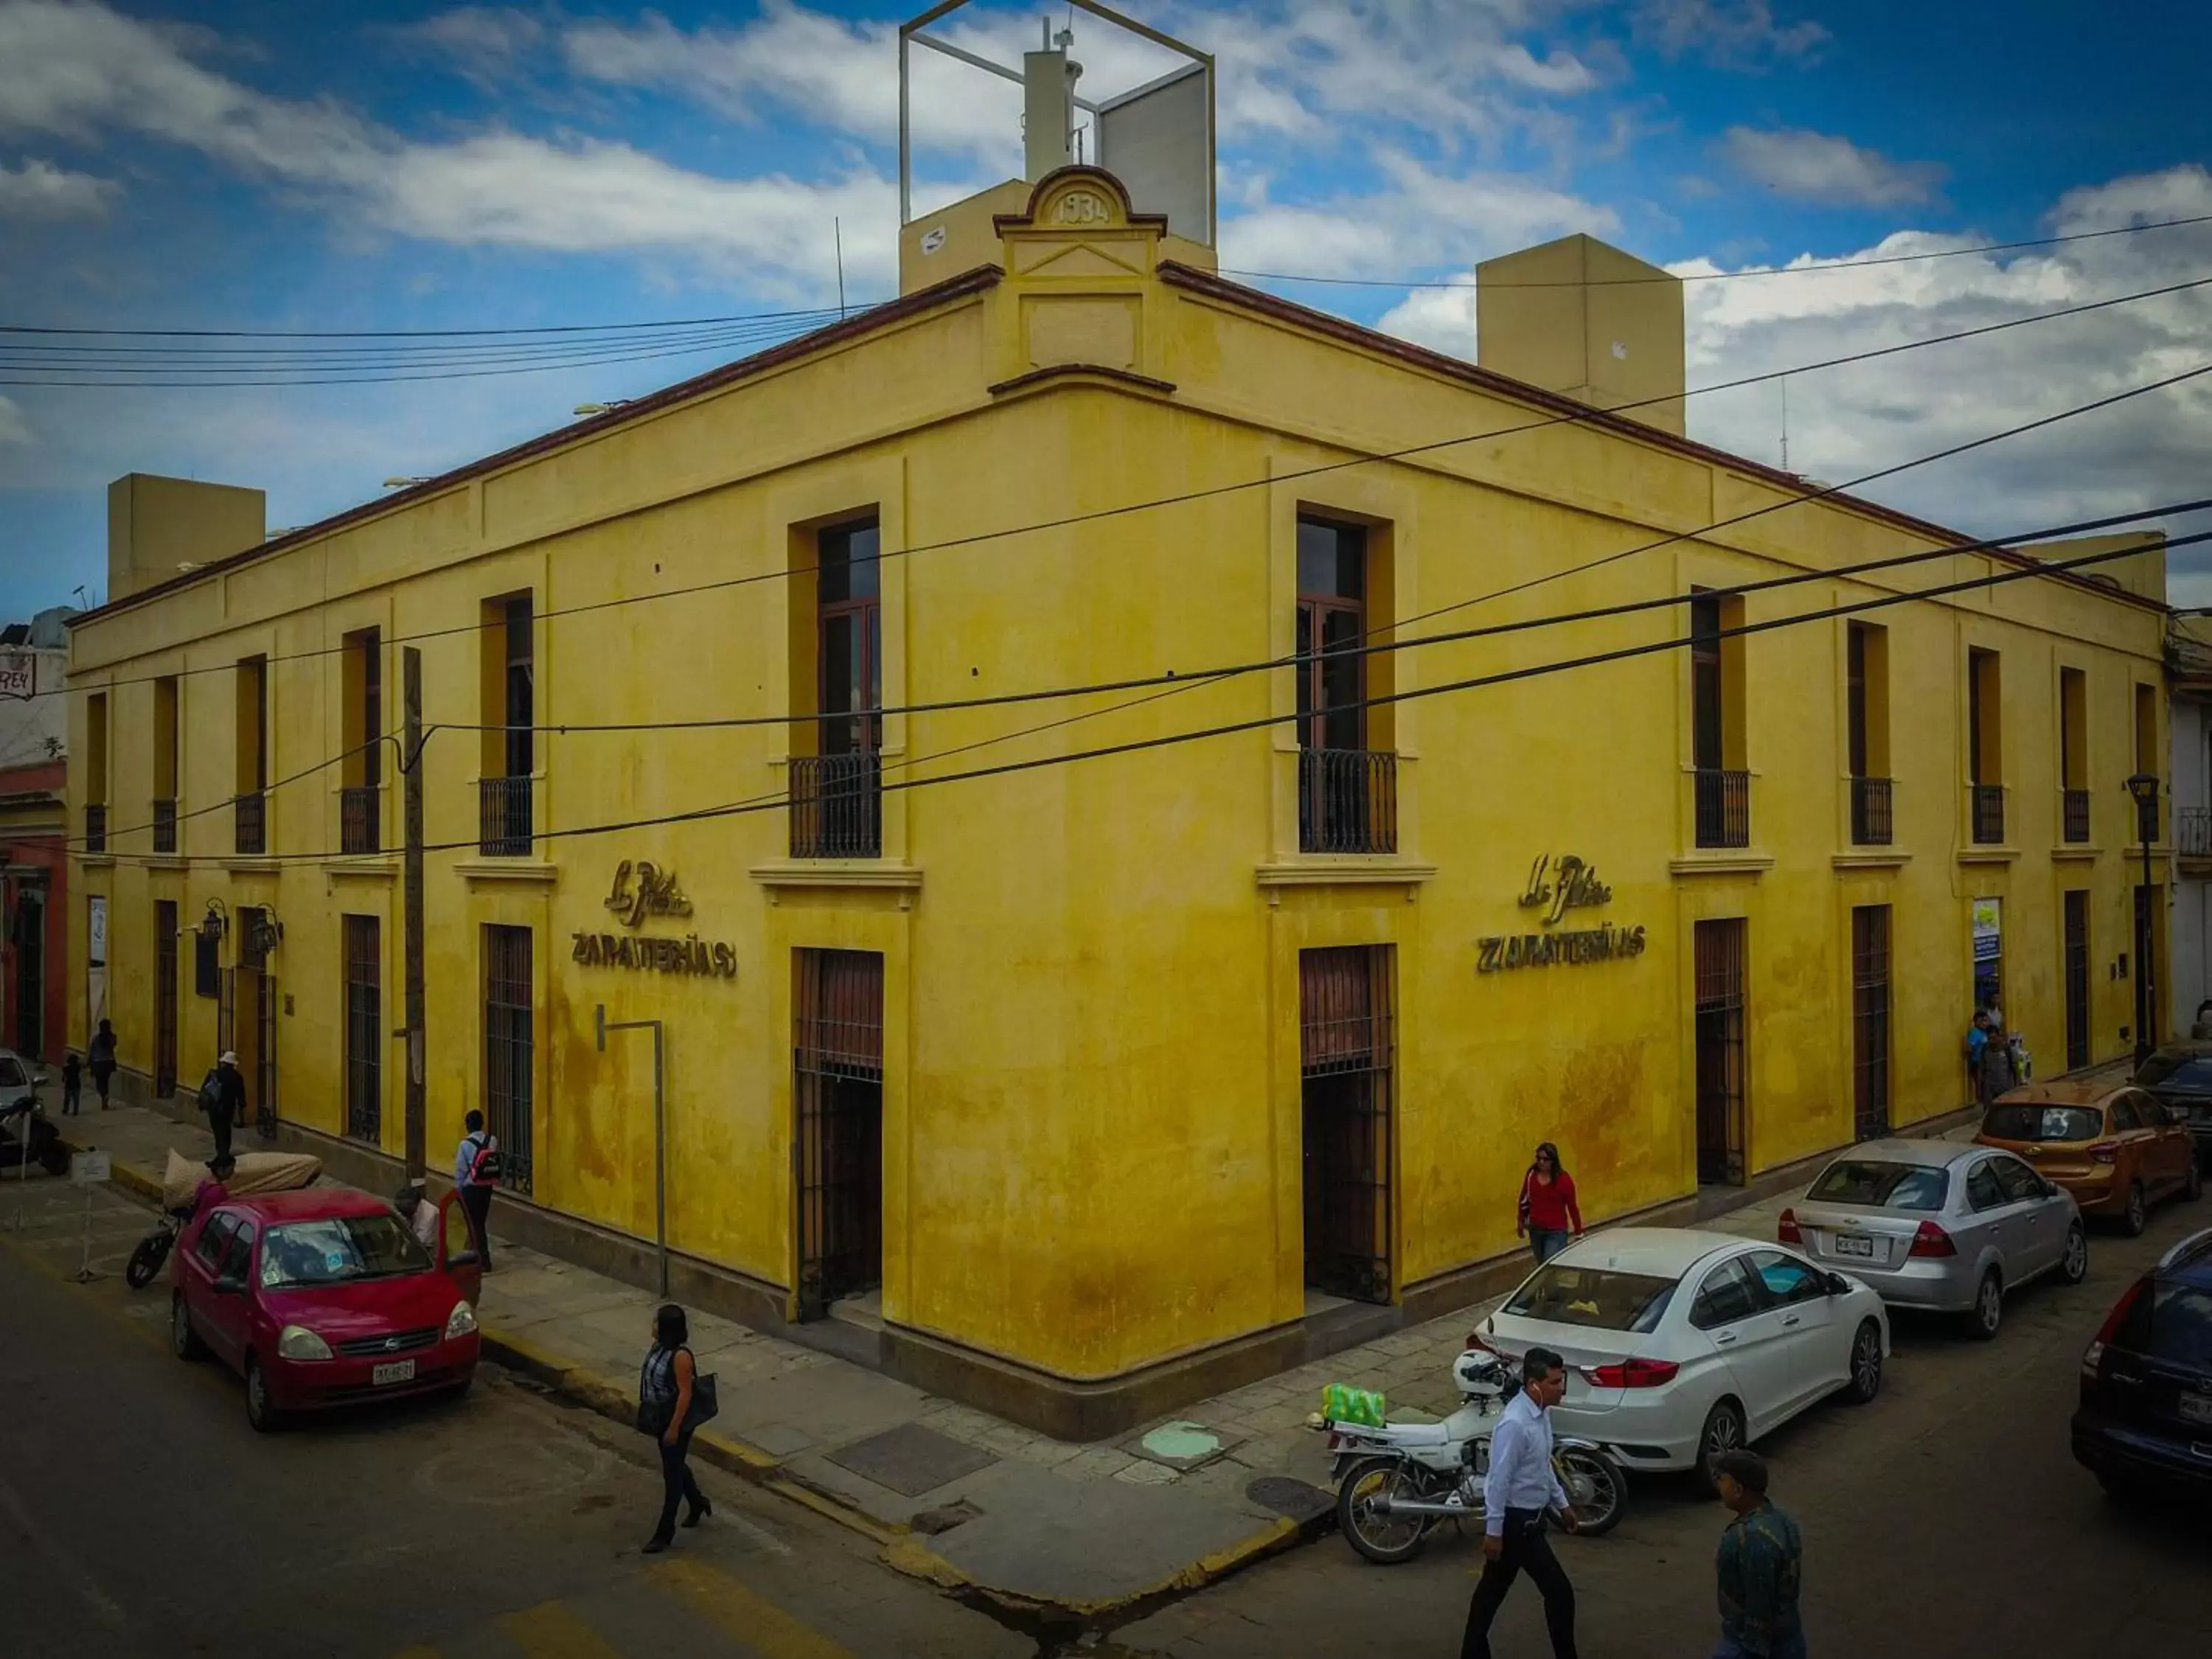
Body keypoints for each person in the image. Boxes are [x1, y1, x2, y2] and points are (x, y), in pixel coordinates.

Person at [1463, 1346, 1580, 1659]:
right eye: (1555, 1382)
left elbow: (1542, 1465)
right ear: (1534, 1385)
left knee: (1490, 1594)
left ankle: (1472, 1652)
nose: (1562, 1388)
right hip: (1517, 1525)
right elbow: (1499, 1480)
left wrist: (1563, 1505)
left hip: (1531, 1519)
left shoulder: (1541, 1414)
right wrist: (1494, 1531)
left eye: (1561, 1379)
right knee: (1560, 1594)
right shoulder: (1515, 1424)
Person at [1711, 1449, 1805, 1659]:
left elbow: (1759, 1608)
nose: (1717, 1483)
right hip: (1790, 1635)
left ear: (1738, 1489)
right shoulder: (1783, 1519)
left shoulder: (1749, 1539)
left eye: (1722, 1479)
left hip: (1752, 1644)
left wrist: (1754, 1649)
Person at [639, 1303, 711, 1554]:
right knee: (676, 1464)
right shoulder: (658, 1347)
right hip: (659, 1417)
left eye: (657, 1322)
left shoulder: (680, 1357)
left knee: (672, 1476)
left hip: (675, 1420)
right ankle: (697, 1502)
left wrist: (674, 1429)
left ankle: (664, 1533)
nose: (653, 1325)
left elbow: (685, 1395)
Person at [1516, 1143, 1584, 1263]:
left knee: (1550, 1265)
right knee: (1542, 1268)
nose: (1541, 1162)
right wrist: (1520, 1221)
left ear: (1553, 1160)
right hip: (1536, 1229)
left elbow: (1572, 1207)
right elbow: (1524, 1198)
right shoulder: (1531, 1175)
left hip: (1556, 1231)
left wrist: (1578, 1231)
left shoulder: (1564, 1180)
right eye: (1539, 1158)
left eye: (1545, 1159)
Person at [455, 1110, 500, 1271]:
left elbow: (461, 1170)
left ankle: (483, 1260)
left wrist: (458, 1190)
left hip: (471, 1188)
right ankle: (474, 1255)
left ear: (468, 1125)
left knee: (475, 1224)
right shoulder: (491, 1140)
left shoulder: (465, 1145)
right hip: (487, 1187)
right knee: (479, 1221)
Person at [199, 1051, 246, 1163]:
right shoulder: (237, 1077)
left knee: (217, 1129)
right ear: (233, 1064)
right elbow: (241, 1094)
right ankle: (224, 1151)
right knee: (226, 1129)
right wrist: (242, 1106)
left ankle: (220, 1150)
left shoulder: (214, 1074)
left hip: (214, 1107)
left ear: (223, 1063)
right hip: (228, 1108)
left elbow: (204, 1089)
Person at [394, 1182, 440, 1252]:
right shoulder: (404, 1209)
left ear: (415, 1205)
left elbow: (420, 1241)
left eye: (404, 1209)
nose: (401, 1212)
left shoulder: (429, 1214)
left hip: (428, 1248)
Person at [87, 1018, 117, 1109]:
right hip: (107, 1062)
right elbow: (114, 1045)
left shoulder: (97, 1038)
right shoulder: (111, 1037)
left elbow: (92, 1051)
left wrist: (89, 1063)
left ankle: (104, 1096)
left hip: (98, 1062)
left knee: (100, 1082)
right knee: (105, 1081)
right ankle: (105, 1098)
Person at [60, 1051, 82, 1117]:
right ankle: (76, 1111)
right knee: (76, 1099)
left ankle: (66, 1110)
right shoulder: (78, 1067)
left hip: (69, 1085)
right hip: (77, 1084)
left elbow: (63, 1078)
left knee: (67, 1098)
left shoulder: (66, 1069)